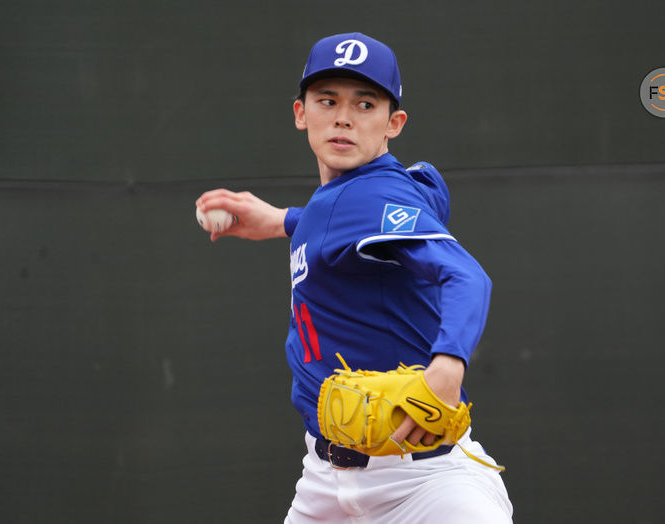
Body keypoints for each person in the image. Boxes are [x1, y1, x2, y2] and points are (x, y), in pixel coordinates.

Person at [196, 32, 513, 523]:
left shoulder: (369, 196)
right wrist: (284, 220)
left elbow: (467, 276)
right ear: (301, 113)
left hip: (426, 486)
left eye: (365, 104)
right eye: (328, 100)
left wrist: (446, 370)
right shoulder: (343, 201)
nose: (344, 117)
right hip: (324, 485)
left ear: (393, 123)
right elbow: (342, 222)